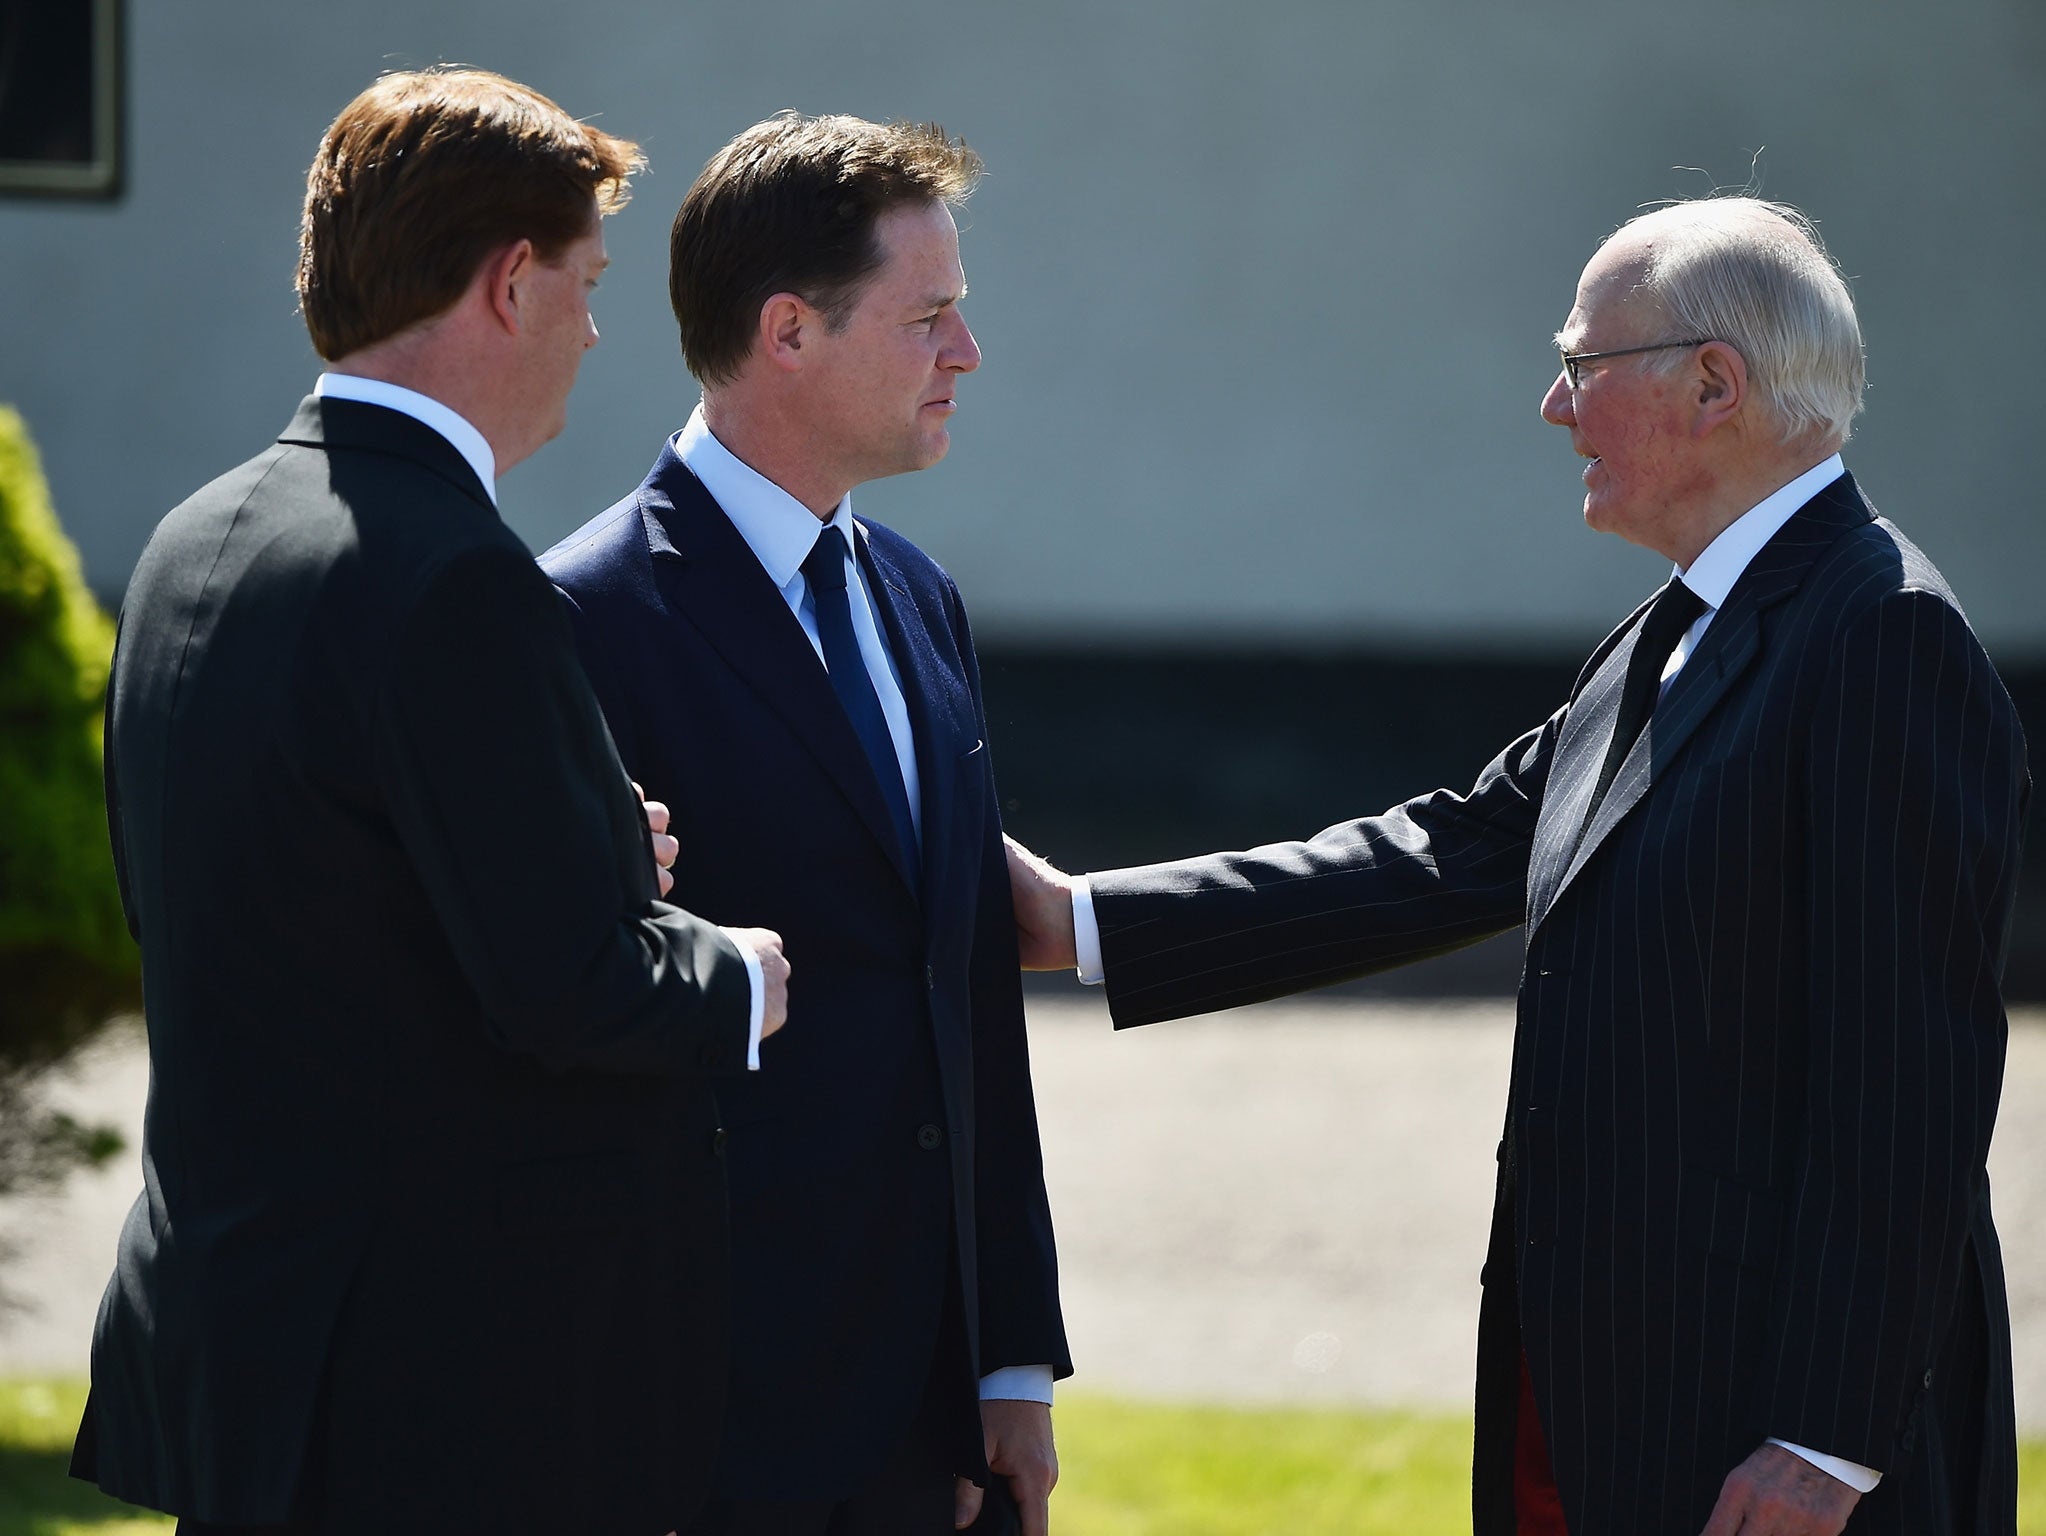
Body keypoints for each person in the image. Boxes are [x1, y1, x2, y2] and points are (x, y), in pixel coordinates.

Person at [1004, 197, 2024, 1536]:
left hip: (1772, 1449)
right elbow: (1450, 851)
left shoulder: (1881, 639)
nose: (1554, 407)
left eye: (1583, 366)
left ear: (1712, 383)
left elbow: (1910, 1090)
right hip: (1619, 1407)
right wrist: (1081, 921)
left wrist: (1825, 1442)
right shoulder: (1671, 630)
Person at [71, 68, 791, 1536]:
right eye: (587, 284)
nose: (598, 331)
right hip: (434, 1393)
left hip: (244, 1346)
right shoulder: (453, 578)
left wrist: (584, 853)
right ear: (510, 282)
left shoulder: (190, 540)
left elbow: (283, 892)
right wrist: (740, 972)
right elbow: (569, 989)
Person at [539, 112, 1069, 1536]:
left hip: (928, 1427)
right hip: (706, 1428)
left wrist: (1009, 1359)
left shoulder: (915, 595)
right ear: (787, 331)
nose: (967, 355)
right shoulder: (580, 619)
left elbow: (959, 993)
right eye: (931, 318)